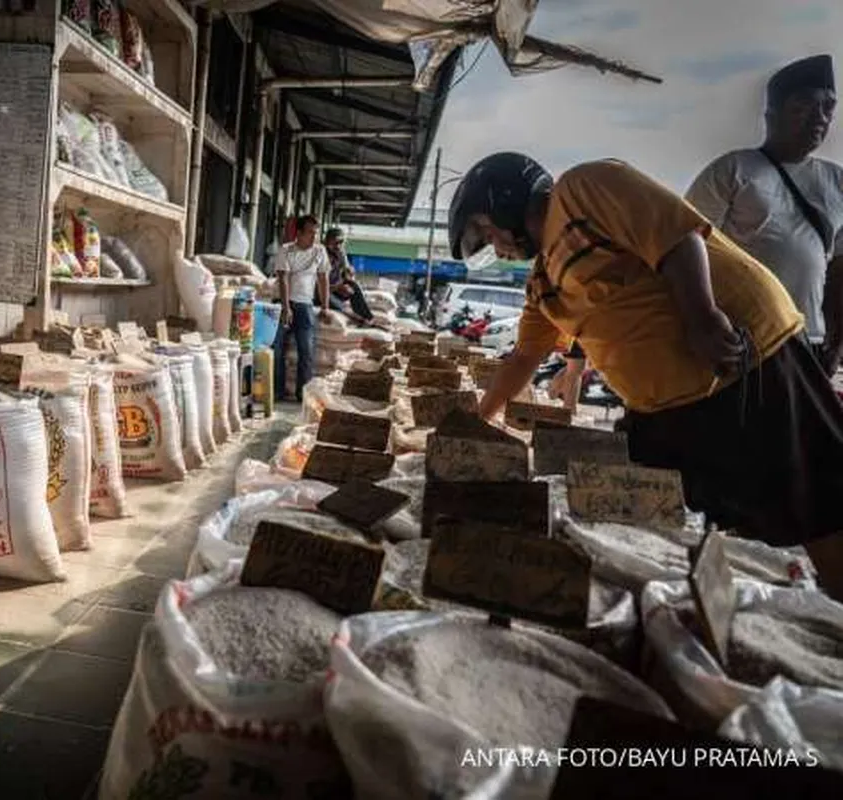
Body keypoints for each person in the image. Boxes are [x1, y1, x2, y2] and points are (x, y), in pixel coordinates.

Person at [449, 151, 843, 600]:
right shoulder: (542, 283)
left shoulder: (583, 189)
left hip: (747, 362)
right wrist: (478, 420)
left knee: (817, 507)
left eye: (486, 231)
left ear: (505, 200)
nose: (496, 248)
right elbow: (524, 356)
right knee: (692, 530)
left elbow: (676, 236)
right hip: (667, 410)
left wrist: (701, 316)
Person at [686, 54, 843, 372]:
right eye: (805, 105)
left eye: (828, 107)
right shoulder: (733, 170)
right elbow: (684, 247)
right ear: (771, 113)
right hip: (741, 342)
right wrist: (700, 323)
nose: (820, 117)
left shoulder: (837, 182)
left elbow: (839, 269)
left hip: (808, 343)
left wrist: (835, 343)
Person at [274, 214, 332, 402]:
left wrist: (325, 307)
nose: (313, 237)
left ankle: (302, 394)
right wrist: (285, 307)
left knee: (306, 351)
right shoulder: (286, 250)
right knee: (277, 350)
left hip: (306, 306)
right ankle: (277, 391)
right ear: (298, 233)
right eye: (309, 233)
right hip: (283, 303)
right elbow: (283, 278)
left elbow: (323, 279)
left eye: (315, 233)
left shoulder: (320, 251)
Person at [323, 227, 376, 324]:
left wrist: (349, 273)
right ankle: (358, 319)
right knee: (334, 302)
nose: (338, 246)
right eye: (335, 242)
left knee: (353, 285)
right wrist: (338, 288)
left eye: (341, 242)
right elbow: (319, 285)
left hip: (336, 288)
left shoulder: (340, 253)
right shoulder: (321, 255)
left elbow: (347, 273)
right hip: (322, 292)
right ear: (327, 241)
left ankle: (368, 317)